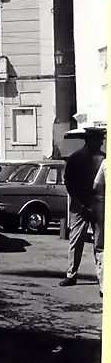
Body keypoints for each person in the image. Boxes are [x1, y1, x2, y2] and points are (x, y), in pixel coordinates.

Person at [59, 127, 106, 289]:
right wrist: (83, 202)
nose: (102, 142)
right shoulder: (82, 159)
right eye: (99, 140)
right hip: (86, 206)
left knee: (92, 244)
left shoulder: (82, 158)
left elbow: (68, 182)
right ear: (90, 141)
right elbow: (69, 182)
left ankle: (78, 276)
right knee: (87, 243)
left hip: (88, 205)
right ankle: (75, 275)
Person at [92, 156, 105, 298]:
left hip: (104, 211)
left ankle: (103, 286)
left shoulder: (106, 163)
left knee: (101, 247)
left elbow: (96, 185)